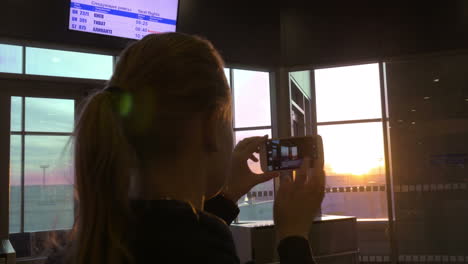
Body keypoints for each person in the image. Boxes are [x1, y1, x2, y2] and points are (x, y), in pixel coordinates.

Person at [47, 32, 325, 264]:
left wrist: (228, 195)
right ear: (209, 127)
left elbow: (170, 230)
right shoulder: (207, 248)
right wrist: (293, 237)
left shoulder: (78, 248)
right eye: (228, 121)